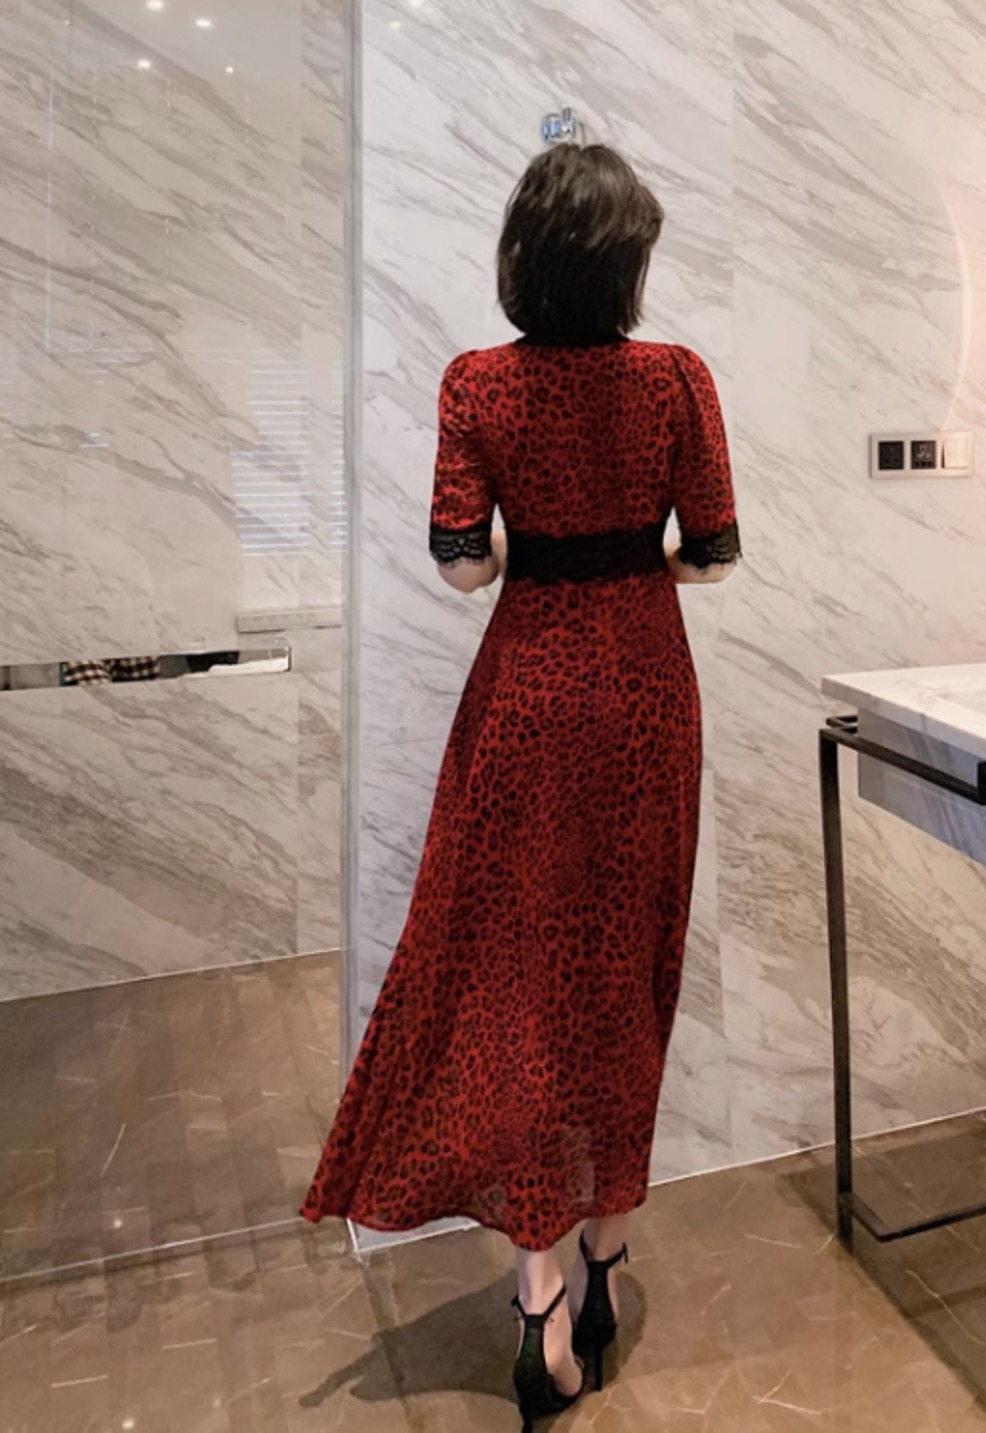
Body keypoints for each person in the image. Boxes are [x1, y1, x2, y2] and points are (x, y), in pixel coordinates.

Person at [302, 142, 740, 1431]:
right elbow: (714, 557)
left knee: (516, 981)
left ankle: (538, 1291)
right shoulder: (677, 379)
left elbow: (460, 566)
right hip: (645, 697)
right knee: (626, 968)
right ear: (626, 265)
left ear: (522, 255)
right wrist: (633, 551)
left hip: (529, 698)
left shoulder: (476, 383)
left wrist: (530, 539)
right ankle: (605, 1250)